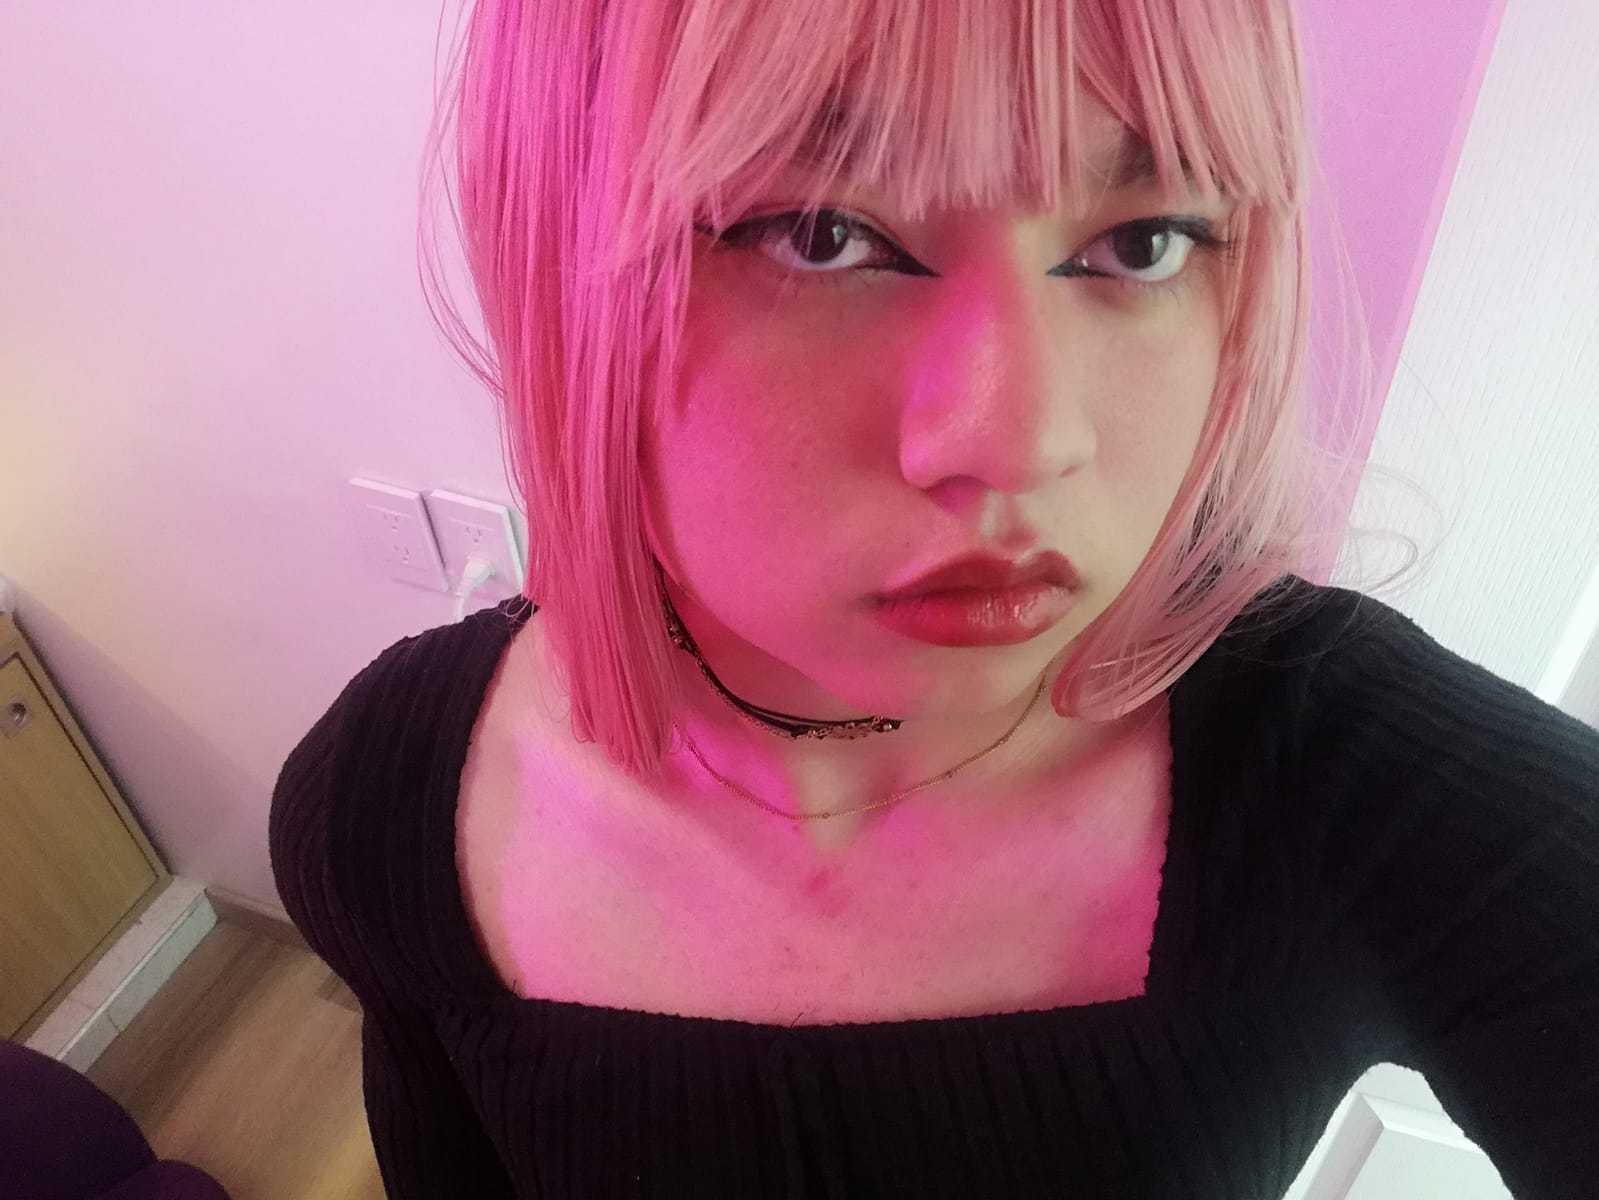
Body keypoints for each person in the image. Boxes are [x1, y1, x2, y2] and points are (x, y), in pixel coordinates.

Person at [269, 0, 1599, 1196]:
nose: (1021, 444)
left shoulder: (1347, 786)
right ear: (559, 263)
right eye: (824, 234)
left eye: (1141, 242)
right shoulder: (385, 811)